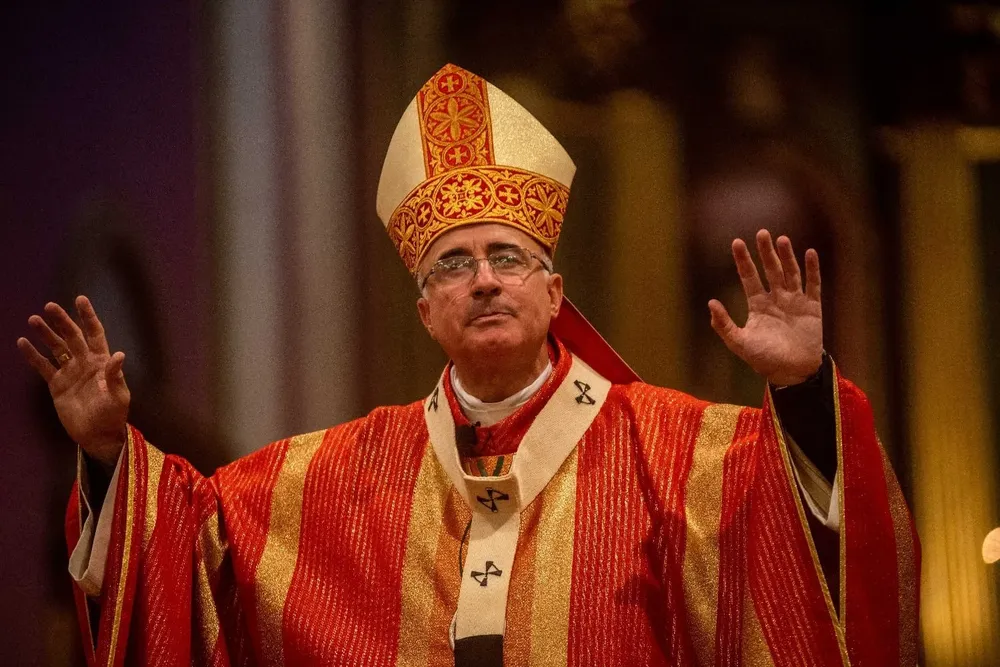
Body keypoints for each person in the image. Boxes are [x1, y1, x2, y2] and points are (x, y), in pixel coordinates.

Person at [18, 64, 918, 666]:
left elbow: (824, 552)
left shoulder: (683, 454)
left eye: (507, 256)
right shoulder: (329, 479)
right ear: (426, 310)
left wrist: (802, 394)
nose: (483, 279)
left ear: (556, 291)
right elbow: (192, 544)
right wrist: (107, 456)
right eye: (453, 262)